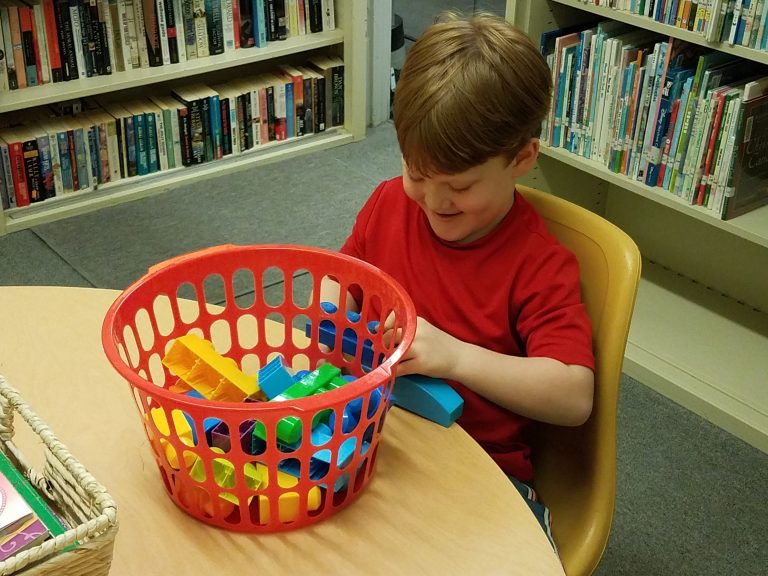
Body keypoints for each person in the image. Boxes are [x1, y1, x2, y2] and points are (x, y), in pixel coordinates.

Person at [327, 12, 595, 552]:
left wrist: (455, 357)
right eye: (417, 173)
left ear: (521, 159)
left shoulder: (539, 264)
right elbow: (342, 280)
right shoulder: (389, 201)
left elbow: (573, 396)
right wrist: (331, 314)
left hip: (483, 473)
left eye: (460, 186)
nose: (433, 201)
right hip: (377, 438)